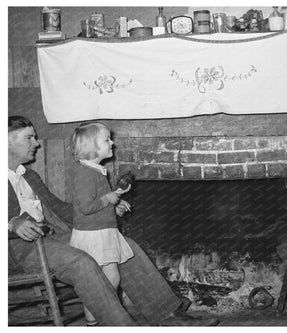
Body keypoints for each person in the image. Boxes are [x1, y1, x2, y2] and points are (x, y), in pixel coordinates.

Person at [8, 115, 219, 326]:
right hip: (16, 248)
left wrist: (106, 206)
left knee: (125, 246)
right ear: (7, 140)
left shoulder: (29, 175)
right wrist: (12, 223)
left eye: (35, 138)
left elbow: (61, 209)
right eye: (29, 138)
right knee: (81, 261)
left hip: (48, 239)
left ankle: (169, 316)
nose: (36, 143)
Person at [69, 122, 134, 325]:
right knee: (100, 282)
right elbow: (86, 207)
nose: (112, 142)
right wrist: (109, 198)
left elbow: (98, 202)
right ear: (92, 146)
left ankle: (103, 317)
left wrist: (115, 204)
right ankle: (94, 319)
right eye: (107, 139)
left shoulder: (97, 170)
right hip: (92, 234)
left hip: (103, 231)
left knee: (112, 278)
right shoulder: (84, 173)